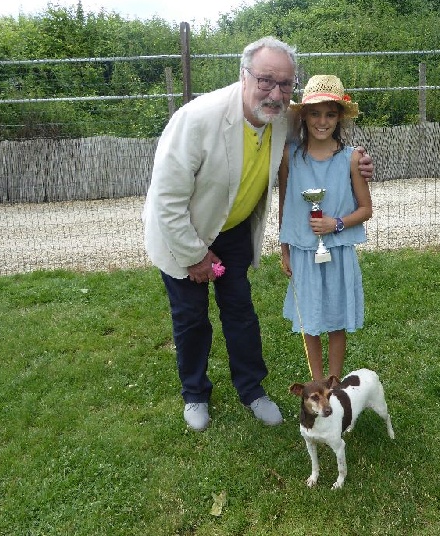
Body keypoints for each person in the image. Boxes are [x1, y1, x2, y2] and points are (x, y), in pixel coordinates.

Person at [143, 38, 374, 432]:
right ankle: (195, 394)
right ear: (244, 75)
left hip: (232, 229)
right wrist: (195, 255)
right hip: (182, 230)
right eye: (266, 80)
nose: (276, 92)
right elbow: (165, 200)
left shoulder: (282, 117)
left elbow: (321, 143)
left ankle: (252, 390)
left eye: (285, 84)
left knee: (241, 313)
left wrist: (360, 162)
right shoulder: (196, 119)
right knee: (190, 317)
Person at [278, 75, 372, 382]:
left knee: (335, 319)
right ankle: (316, 382)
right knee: (311, 319)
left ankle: (334, 382)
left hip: (338, 251)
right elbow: (285, 204)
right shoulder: (289, 156)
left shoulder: (352, 158)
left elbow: (365, 209)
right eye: (315, 113)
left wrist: (337, 223)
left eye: (330, 114)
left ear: (340, 117)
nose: (322, 121)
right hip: (304, 252)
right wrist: (285, 249)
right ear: (303, 116)